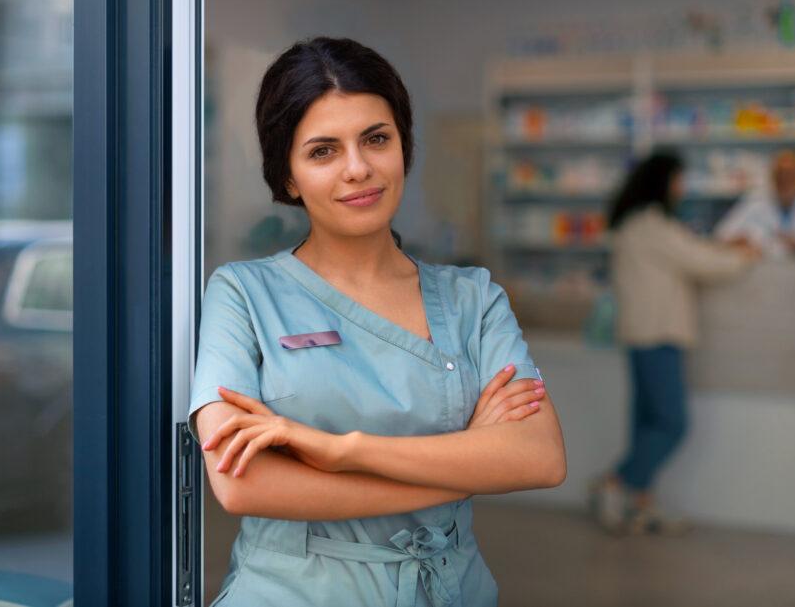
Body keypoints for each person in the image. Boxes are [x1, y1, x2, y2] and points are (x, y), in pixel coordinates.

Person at [189, 37, 567, 607]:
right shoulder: (243, 294)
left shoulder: (473, 298)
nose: (358, 169)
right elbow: (243, 484)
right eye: (322, 151)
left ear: (403, 147)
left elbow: (539, 459)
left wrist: (340, 450)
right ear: (287, 176)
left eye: (376, 139)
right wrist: (471, 459)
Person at [587, 151, 758, 535]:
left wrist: (725, 247)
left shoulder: (635, 224)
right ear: (662, 182)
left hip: (639, 334)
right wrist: (745, 256)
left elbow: (688, 252)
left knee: (647, 422)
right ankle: (613, 483)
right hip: (658, 334)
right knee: (672, 423)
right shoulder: (652, 224)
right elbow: (700, 262)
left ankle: (641, 502)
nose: (681, 189)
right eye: (679, 180)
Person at [715, 149, 795, 258]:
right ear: (772, 176)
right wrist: (741, 240)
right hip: (767, 268)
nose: (785, 179)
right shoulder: (757, 197)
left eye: (790, 174)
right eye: (780, 174)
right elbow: (723, 232)